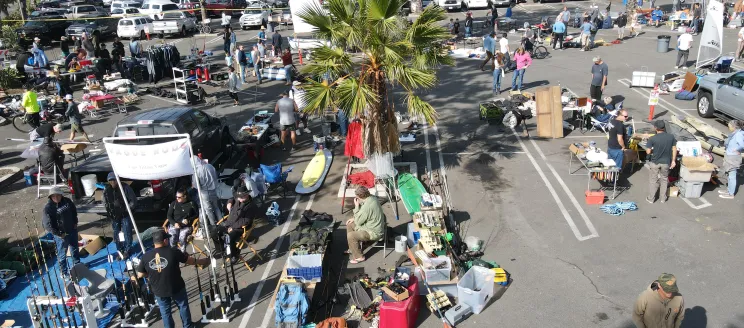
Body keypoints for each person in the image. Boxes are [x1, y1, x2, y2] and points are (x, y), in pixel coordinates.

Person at [136, 228, 210, 328]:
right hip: (176, 286)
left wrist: (149, 274)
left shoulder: (146, 256)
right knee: (182, 306)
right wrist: (204, 261)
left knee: (165, 312)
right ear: (165, 241)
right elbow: (190, 261)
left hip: (159, 289)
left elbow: (140, 274)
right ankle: (187, 326)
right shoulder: (173, 251)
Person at [209, 185, 256, 262]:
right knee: (214, 231)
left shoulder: (251, 206)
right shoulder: (238, 199)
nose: (239, 198)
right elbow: (231, 198)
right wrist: (229, 203)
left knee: (230, 237)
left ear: (246, 195)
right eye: (238, 196)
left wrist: (233, 227)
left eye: (241, 196)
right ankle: (221, 250)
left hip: (240, 228)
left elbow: (246, 221)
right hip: (228, 223)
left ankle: (234, 254)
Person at [42, 187, 80, 279]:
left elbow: (73, 211)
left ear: (61, 195)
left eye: (58, 195)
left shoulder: (67, 201)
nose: (56, 197)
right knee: (62, 254)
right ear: (50, 197)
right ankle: (63, 272)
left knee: (74, 248)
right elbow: (47, 225)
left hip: (72, 230)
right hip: (61, 236)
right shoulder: (48, 208)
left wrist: (75, 222)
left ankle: (78, 265)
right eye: (53, 196)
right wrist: (59, 234)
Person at [345, 186, 386, 264]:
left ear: (359, 196)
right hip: (374, 225)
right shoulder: (372, 198)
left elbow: (358, 222)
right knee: (350, 224)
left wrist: (356, 206)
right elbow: (363, 215)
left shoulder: (367, 207)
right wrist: (354, 218)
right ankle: (353, 248)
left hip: (373, 232)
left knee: (351, 235)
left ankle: (359, 257)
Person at [103, 172, 137, 257]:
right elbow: (104, 202)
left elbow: (133, 201)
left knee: (127, 233)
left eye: (114, 180)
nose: (112, 182)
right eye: (110, 180)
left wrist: (125, 209)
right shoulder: (106, 190)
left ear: (117, 180)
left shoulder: (125, 188)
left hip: (124, 215)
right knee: (117, 234)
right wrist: (109, 211)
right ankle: (120, 250)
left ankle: (127, 250)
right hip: (114, 217)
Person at [645, 120, 677, 203]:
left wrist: (652, 150)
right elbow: (674, 149)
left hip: (655, 162)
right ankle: (663, 198)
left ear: (655, 128)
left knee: (653, 180)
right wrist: (673, 161)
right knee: (664, 179)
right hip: (666, 162)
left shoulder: (652, 138)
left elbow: (648, 152)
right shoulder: (671, 137)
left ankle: (651, 198)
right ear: (664, 127)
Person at [192, 156, 222, 226]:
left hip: (204, 192)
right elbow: (216, 176)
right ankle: (221, 222)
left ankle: (213, 224)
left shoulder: (196, 171)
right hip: (214, 190)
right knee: (216, 207)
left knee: (209, 210)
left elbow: (196, 185)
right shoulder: (210, 166)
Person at [720, 120, 744, 199]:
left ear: (734, 127)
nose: (728, 127)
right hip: (730, 156)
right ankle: (729, 190)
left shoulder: (738, 134)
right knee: (730, 175)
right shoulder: (735, 133)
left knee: (732, 176)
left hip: (733, 157)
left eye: (729, 126)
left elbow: (742, 145)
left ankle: (731, 194)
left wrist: (736, 150)